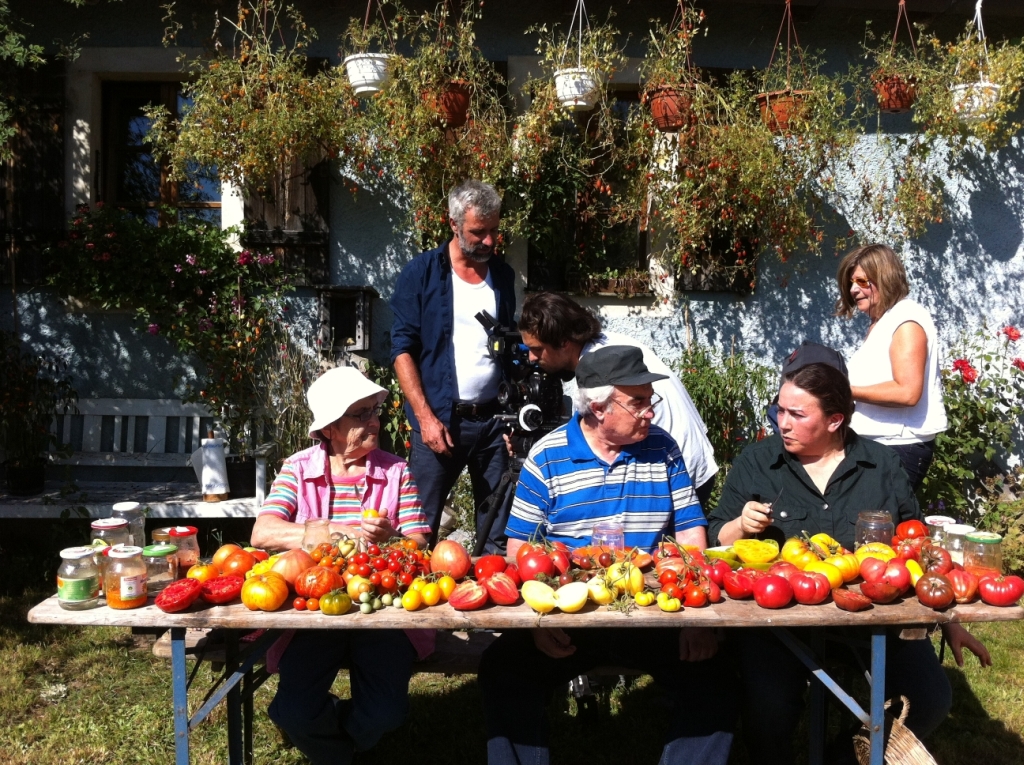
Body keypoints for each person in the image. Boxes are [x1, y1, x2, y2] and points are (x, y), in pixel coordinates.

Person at [707, 360, 989, 765]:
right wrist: (741, 524)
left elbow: (916, 545)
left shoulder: (881, 465)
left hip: (875, 617)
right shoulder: (758, 461)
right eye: (779, 410)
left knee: (930, 698)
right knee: (768, 707)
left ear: (835, 419)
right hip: (779, 621)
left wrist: (950, 619)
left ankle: (848, 756)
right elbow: (716, 535)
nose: (782, 423)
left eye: (797, 415)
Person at [479, 345, 735, 765]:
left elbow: (691, 534)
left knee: (714, 676)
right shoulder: (547, 456)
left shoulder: (663, 448)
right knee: (503, 671)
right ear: (597, 406)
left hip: (653, 613)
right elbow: (518, 551)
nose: (650, 412)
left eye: (649, 400)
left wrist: (696, 621)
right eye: (637, 402)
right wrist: (534, 626)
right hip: (571, 617)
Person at [250, 366, 431, 765]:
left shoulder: (395, 472)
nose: (374, 420)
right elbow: (262, 532)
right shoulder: (299, 469)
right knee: (296, 711)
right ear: (329, 428)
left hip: (380, 610)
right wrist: (326, 530)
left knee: (386, 714)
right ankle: (342, 754)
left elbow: (419, 542)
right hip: (314, 611)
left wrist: (393, 540)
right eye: (360, 414)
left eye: (374, 411)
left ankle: (338, 738)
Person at [390, 179, 516, 552]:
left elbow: (509, 347)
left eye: (494, 231)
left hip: (494, 424)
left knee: (497, 529)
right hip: (440, 422)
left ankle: (492, 604)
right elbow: (401, 351)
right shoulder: (421, 273)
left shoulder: (503, 276)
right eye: (479, 232)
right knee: (419, 528)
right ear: (454, 225)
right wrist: (425, 417)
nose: (489, 241)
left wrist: (514, 416)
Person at [517, 290, 719, 508]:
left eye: (537, 349)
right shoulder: (612, 344)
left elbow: (594, 444)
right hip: (689, 463)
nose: (532, 358)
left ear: (564, 341)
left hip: (672, 474)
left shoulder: (598, 370)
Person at [835, 243, 947, 489]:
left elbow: (907, 392)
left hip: (898, 446)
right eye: (851, 283)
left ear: (884, 277)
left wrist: (842, 389)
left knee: (876, 525)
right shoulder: (883, 322)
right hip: (879, 443)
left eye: (862, 281)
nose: (854, 289)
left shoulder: (906, 320)